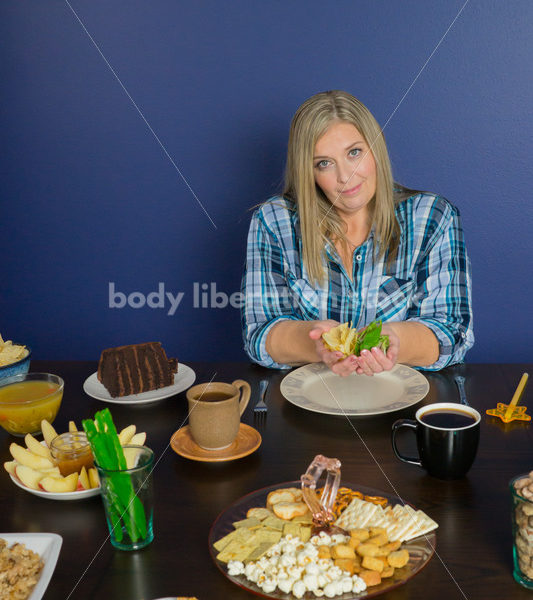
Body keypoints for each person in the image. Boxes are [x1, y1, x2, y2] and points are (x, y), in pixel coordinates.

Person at [241, 90, 474, 376]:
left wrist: (396, 341)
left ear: (376, 149)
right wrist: (313, 342)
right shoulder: (274, 221)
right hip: (308, 403)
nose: (345, 176)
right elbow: (260, 334)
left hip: (402, 405)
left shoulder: (433, 217)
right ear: (308, 172)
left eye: (354, 152)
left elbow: (452, 333)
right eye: (324, 163)